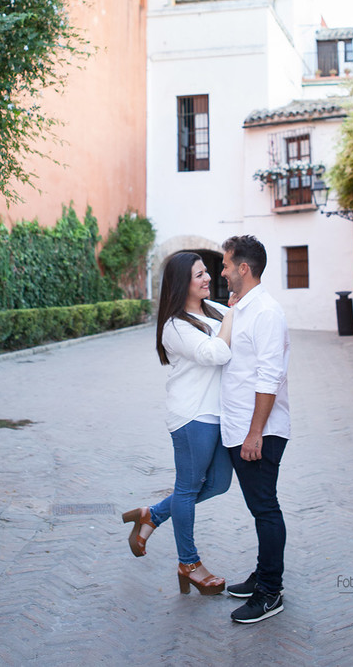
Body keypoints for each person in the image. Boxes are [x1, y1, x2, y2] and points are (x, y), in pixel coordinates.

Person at [122, 250, 234, 595]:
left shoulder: (216, 311)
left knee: (218, 484)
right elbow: (218, 352)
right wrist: (236, 311)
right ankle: (189, 563)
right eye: (199, 274)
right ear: (181, 283)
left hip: (219, 413)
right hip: (192, 416)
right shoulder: (175, 327)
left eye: (207, 272)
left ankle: (152, 515)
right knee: (187, 489)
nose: (208, 278)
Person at [220, 235, 290, 624]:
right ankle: (264, 575)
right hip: (243, 429)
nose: (223, 271)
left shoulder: (265, 312)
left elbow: (269, 377)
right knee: (259, 508)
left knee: (265, 509)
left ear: (243, 268)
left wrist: (254, 433)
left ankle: (270, 591)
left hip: (259, 432)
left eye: (227, 265)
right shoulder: (243, 308)